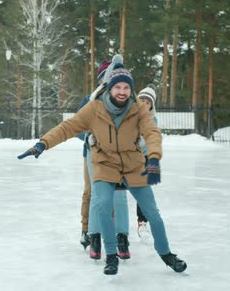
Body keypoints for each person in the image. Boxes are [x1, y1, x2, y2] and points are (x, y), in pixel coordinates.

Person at [18, 55, 187, 276]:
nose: (122, 91)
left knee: (152, 213)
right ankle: (111, 255)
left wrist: (153, 156)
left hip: (133, 165)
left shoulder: (139, 109)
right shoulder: (94, 108)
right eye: (118, 86)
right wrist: (43, 143)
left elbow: (152, 133)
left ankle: (167, 255)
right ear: (109, 88)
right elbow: (68, 127)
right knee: (103, 206)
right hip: (105, 164)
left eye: (127, 87)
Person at [77, 60, 130, 261]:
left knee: (117, 194)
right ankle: (87, 230)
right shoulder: (91, 99)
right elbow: (79, 124)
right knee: (91, 192)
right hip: (91, 153)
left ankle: (117, 234)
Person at [136, 86, 157, 239]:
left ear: (151, 105)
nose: (144, 104)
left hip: (144, 156)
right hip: (128, 156)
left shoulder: (152, 120)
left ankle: (142, 221)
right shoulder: (130, 115)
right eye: (141, 100)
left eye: (147, 102)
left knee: (143, 189)